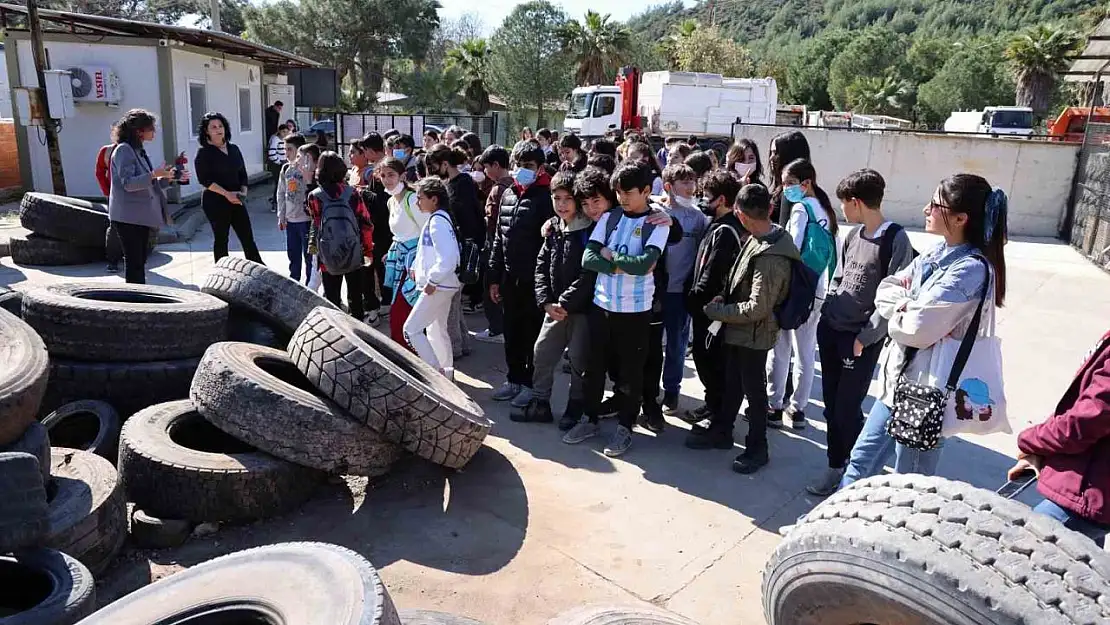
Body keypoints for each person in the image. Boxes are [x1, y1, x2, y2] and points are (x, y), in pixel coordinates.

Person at [840, 174, 1009, 490]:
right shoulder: (936, 254)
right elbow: (887, 288)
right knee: (859, 467)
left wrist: (902, 311)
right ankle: (824, 527)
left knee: (908, 487)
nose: (925, 209)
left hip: (925, 396)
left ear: (960, 218)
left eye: (935, 204)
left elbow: (916, 330)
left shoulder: (970, 270)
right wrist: (908, 306)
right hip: (896, 388)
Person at [807, 169, 914, 496]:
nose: (842, 210)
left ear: (856, 202)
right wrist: (828, 310)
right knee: (831, 406)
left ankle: (857, 474)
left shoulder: (896, 239)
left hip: (859, 341)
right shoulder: (853, 236)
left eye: (844, 204)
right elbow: (839, 277)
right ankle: (836, 465)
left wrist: (865, 338)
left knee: (846, 409)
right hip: (831, 331)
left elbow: (896, 299)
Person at [562, 162, 671, 457]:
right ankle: (590, 419)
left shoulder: (657, 224)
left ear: (647, 191)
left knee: (629, 374)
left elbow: (644, 265)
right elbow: (588, 258)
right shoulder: (610, 218)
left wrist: (609, 258)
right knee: (593, 369)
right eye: (619, 193)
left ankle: (625, 427)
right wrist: (614, 263)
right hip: (602, 306)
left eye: (629, 193)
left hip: (635, 311)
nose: (622, 198)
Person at [694, 184, 800, 474]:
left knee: (754, 393)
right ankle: (723, 432)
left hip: (754, 334)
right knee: (733, 384)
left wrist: (717, 311)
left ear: (740, 214)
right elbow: (739, 275)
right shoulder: (760, 237)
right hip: (741, 331)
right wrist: (724, 296)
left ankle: (757, 448)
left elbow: (756, 308)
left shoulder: (771, 256)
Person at [1011, 328, 1110, 547]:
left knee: (1017, 557)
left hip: (1084, 497)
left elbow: (1083, 422)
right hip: (1091, 495)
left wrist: (1030, 441)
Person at [511, 171, 595, 427]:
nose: (561, 204)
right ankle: (540, 403)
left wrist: (566, 303)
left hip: (580, 310)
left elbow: (589, 273)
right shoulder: (554, 228)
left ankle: (575, 407)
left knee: (580, 361)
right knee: (543, 353)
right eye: (556, 198)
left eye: (568, 199)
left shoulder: (589, 230)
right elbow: (541, 265)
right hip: (554, 308)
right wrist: (546, 301)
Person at [765, 158, 838, 430]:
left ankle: (774, 405)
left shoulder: (801, 209)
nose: (785, 189)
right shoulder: (825, 210)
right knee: (806, 352)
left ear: (806, 183)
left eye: (790, 183)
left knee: (780, 347)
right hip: (817, 288)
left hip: (793, 289)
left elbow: (791, 250)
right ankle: (798, 410)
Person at [489, 141, 554, 408]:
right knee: (511, 332)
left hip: (534, 280)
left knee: (532, 336)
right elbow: (498, 238)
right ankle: (513, 379)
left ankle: (529, 384)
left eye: (528, 166)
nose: (522, 171)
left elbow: (551, 245)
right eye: (519, 166)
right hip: (508, 277)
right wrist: (493, 277)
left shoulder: (547, 197)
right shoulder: (508, 194)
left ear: (539, 168)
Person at [682, 170, 745, 427]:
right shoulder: (719, 225)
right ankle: (712, 405)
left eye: (706, 196)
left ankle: (719, 416)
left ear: (721, 199)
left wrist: (694, 302)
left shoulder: (727, 230)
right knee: (705, 359)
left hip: (712, 312)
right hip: (707, 310)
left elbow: (714, 272)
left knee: (712, 362)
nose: (702, 200)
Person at [106, 109, 181, 284]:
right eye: (151, 128)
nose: (154, 132)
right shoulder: (124, 150)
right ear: (139, 131)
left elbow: (149, 183)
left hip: (141, 216)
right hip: (128, 217)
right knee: (134, 263)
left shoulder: (138, 150)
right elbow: (129, 183)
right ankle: (135, 302)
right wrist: (155, 174)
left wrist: (167, 178)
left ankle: (139, 296)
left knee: (140, 261)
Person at [658, 163, 709, 415]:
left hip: (682, 292)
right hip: (656, 290)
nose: (691, 188)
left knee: (677, 344)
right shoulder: (657, 211)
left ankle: (671, 391)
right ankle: (649, 390)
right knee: (651, 343)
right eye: (684, 183)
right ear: (668, 186)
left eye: (692, 182)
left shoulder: (697, 217)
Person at [426, 143, 484, 360]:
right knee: (454, 302)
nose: (433, 171)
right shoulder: (457, 183)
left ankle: (454, 348)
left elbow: (468, 221)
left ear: (444, 163)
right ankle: (462, 344)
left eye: (434, 166)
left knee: (449, 304)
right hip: (460, 248)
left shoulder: (461, 185)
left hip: (460, 251)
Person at [404, 177, 462, 379]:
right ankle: (447, 372)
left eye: (420, 198)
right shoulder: (438, 218)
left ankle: (435, 374)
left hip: (439, 286)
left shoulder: (437, 221)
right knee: (436, 330)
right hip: (442, 284)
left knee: (411, 329)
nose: (417, 202)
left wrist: (432, 280)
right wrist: (416, 269)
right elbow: (430, 252)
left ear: (434, 199)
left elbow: (449, 257)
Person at [307, 151, 375, 320]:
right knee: (356, 298)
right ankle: (357, 331)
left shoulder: (315, 196)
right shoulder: (352, 194)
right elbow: (366, 223)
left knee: (332, 299)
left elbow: (316, 223)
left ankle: (336, 331)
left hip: (328, 255)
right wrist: (367, 250)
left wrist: (314, 250)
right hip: (354, 251)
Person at [194, 112, 262, 264]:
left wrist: (243, 192)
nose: (218, 129)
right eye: (213, 127)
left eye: (220, 126)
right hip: (215, 201)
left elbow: (242, 174)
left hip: (237, 199)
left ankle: (259, 271)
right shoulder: (204, 153)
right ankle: (221, 272)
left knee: (247, 238)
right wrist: (226, 194)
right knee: (221, 239)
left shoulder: (234, 149)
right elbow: (204, 180)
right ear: (206, 131)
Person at [380, 157, 429, 346]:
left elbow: (427, 233)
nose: (386, 179)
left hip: (415, 266)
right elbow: (400, 234)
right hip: (400, 263)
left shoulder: (412, 200)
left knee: (403, 313)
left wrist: (418, 264)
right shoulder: (391, 202)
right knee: (399, 313)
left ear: (402, 176)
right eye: (383, 175)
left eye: (391, 175)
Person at [474, 145, 513, 344]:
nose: (484, 173)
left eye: (486, 167)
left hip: (494, 245)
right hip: (508, 247)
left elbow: (491, 221)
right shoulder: (513, 185)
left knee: (491, 286)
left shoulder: (498, 190)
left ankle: (496, 328)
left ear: (496, 165)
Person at [350, 133, 391, 323]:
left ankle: (379, 306)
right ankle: (384, 303)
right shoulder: (381, 167)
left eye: (365, 150)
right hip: (381, 226)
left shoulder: (382, 169)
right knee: (380, 268)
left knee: (376, 267)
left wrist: (363, 194)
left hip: (380, 227)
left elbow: (381, 200)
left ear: (370, 151)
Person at [276, 133, 311, 283]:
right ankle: (294, 282)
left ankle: (311, 284)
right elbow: (281, 193)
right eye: (285, 149)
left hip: (306, 220)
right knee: (293, 255)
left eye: (289, 149)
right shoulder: (285, 169)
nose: (286, 153)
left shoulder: (307, 169)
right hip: (291, 221)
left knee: (309, 256)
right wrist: (281, 216)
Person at [267, 125, 289, 212]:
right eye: (283, 132)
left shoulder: (285, 140)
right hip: (277, 165)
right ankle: (275, 203)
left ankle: (280, 202)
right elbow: (271, 153)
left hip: (284, 163)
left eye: (286, 132)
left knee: (284, 184)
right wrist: (279, 162)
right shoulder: (275, 139)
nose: (285, 134)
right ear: (279, 131)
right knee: (278, 184)